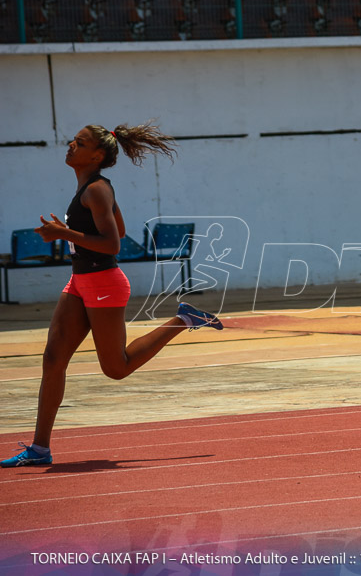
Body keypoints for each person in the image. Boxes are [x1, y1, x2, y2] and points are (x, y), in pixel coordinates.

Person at [1, 122, 224, 468]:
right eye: (74, 141)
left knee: (116, 369)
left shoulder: (96, 190)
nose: (71, 145)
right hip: (79, 282)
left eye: (80, 142)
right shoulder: (92, 188)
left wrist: (64, 233)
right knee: (53, 359)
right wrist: (71, 233)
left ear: (97, 155)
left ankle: (183, 319)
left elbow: (113, 243)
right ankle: (39, 448)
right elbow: (117, 227)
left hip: (103, 283)